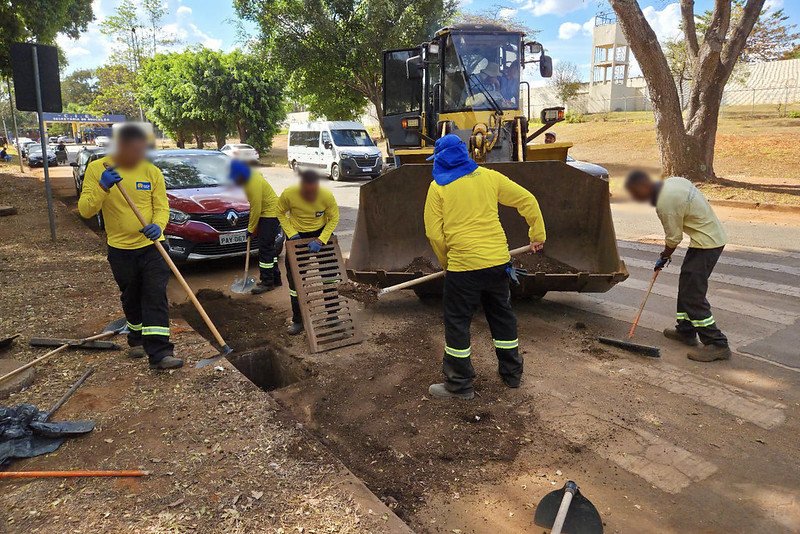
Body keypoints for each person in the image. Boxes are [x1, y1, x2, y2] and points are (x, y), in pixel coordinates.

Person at [423, 134, 546, 400]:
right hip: (497, 264)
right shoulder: (490, 177)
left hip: (463, 268)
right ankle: (512, 374)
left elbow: (435, 235)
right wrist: (537, 234)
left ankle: (459, 385)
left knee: (458, 323)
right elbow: (528, 200)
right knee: (502, 317)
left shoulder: (438, 188)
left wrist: (447, 264)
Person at [78, 124, 183, 370]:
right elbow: (85, 210)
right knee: (131, 296)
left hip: (152, 247)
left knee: (155, 295)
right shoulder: (98, 169)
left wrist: (158, 225)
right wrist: (103, 187)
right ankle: (136, 338)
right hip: (120, 250)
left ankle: (159, 353)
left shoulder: (151, 172)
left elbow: (161, 207)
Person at [625, 170, 730, 362]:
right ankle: (686, 330)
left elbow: (673, 239)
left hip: (707, 244)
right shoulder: (674, 182)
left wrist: (664, 257)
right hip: (706, 238)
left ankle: (717, 343)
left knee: (693, 295)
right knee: (686, 284)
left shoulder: (664, 204)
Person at [276, 170, 340, 335]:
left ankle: (332, 315)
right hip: (297, 235)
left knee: (330, 278)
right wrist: (292, 234)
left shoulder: (325, 195)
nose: (311, 195)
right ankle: (298, 320)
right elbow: (279, 213)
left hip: (321, 233)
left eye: (314, 191)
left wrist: (321, 240)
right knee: (295, 282)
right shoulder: (289, 194)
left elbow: (334, 218)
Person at [228, 160, 282, 294]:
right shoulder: (249, 178)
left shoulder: (252, 182)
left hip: (269, 215)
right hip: (270, 214)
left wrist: (251, 229)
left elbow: (256, 208)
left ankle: (267, 282)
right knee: (269, 248)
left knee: (264, 249)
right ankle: (275, 278)